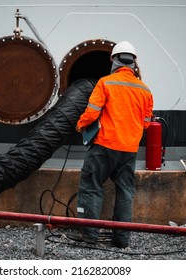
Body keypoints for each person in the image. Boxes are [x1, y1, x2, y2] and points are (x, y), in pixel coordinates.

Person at [70, 41, 154, 248]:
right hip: (128, 150)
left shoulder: (105, 83)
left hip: (104, 146)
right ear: (134, 62)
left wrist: (80, 125)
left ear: (113, 60)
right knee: (125, 191)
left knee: (91, 186)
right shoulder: (145, 90)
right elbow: (146, 123)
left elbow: (91, 112)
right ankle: (121, 239)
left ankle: (89, 236)